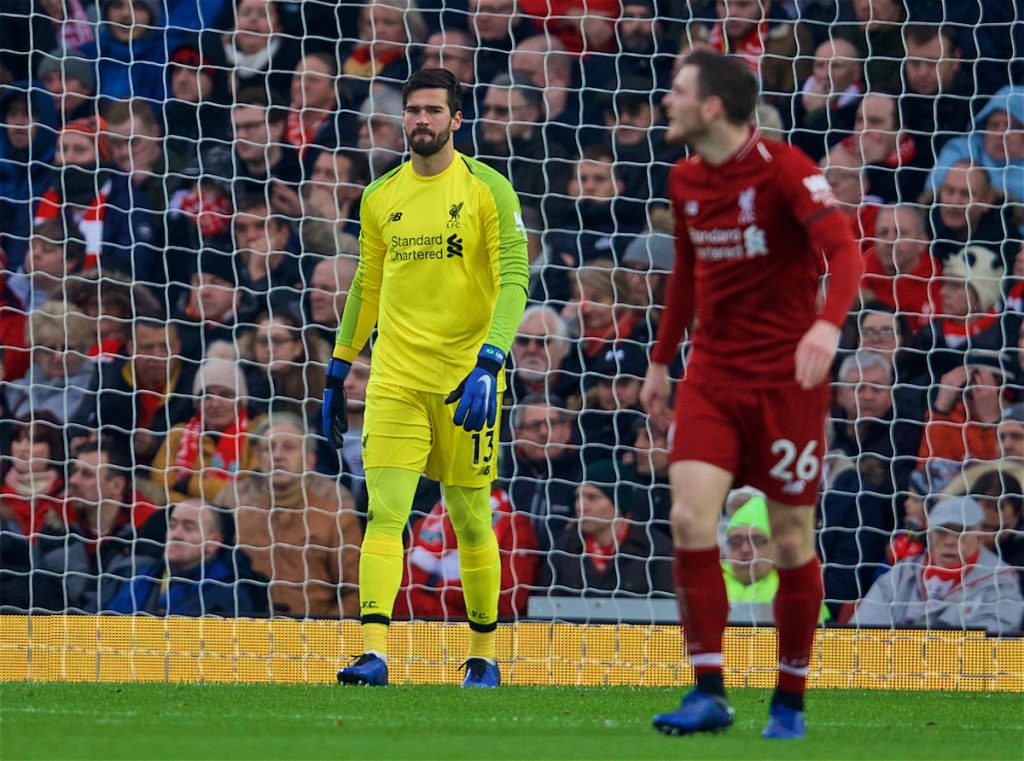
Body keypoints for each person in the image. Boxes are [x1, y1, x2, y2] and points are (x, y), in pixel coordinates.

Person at [641, 50, 863, 739]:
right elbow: (685, 270)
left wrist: (827, 326)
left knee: (793, 539)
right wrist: (659, 359)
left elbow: (847, 252)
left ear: (712, 107)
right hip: (711, 376)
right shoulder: (683, 179)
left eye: (677, 91)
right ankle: (708, 688)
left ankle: (789, 700)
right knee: (687, 517)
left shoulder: (787, 170)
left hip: (787, 384)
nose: (666, 101)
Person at [323, 69, 529, 688]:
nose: (421, 120)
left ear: (456, 119)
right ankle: (374, 653)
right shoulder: (380, 195)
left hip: (467, 384)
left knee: (469, 517)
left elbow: (516, 280)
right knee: (386, 514)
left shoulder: (489, 190)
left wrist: (490, 363)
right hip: (394, 380)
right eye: (413, 110)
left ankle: (484, 656)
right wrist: (338, 365)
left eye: (433, 110)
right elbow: (367, 284)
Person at [852, 496, 1024, 635]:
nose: (950, 541)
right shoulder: (900, 575)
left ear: (979, 539)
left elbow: (991, 646)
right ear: (929, 536)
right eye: (942, 532)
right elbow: (863, 633)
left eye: (960, 533)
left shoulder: (1002, 582)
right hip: (894, 672)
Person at [102, 499, 269, 617]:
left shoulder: (229, 596)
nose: (176, 535)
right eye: (173, 525)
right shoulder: (134, 576)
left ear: (213, 543)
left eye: (189, 528)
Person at [537, 459, 673, 598]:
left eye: (592, 497)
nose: (580, 506)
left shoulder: (656, 549)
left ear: (618, 502)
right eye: (578, 497)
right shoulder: (562, 551)